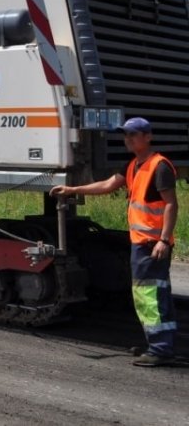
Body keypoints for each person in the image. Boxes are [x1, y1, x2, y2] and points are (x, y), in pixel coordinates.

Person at [50, 117, 178, 366]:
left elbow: (172, 204)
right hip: (141, 242)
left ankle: (161, 349)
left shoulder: (159, 166)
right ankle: (158, 343)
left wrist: (164, 240)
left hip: (152, 244)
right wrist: (72, 190)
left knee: (150, 296)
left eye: (134, 134)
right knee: (151, 294)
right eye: (126, 135)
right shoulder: (133, 165)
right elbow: (108, 185)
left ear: (148, 136)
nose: (128, 139)